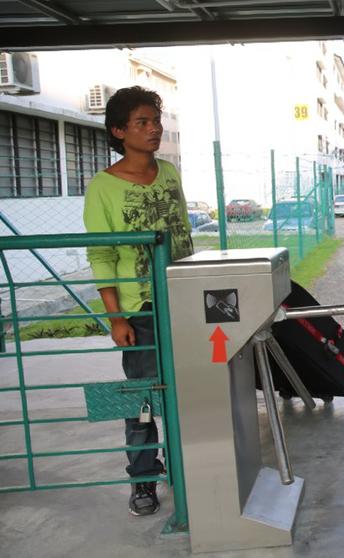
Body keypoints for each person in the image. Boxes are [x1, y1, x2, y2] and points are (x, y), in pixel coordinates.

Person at [83, 86, 193, 516]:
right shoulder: (103, 188)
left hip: (182, 299)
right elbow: (102, 255)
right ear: (118, 131)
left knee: (189, 390)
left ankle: (191, 468)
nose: (154, 129)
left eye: (156, 121)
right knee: (143, 400)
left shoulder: (169, 172)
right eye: (142, 123)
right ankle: (145, 478)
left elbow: (183, 233)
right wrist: (116, 318)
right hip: (141, 311)